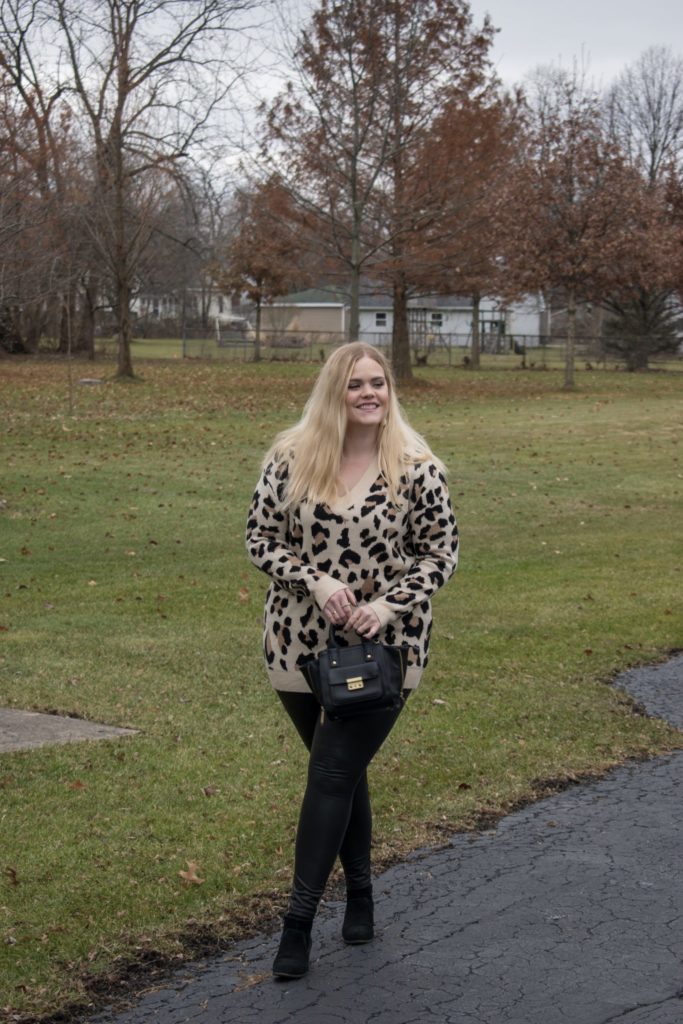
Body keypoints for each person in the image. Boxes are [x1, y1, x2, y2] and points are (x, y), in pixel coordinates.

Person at [245, 342, 458, 979]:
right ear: (334, 393)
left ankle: (297, 927)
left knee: (332, 772)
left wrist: (388, 606)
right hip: (296, 645)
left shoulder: (418, 468)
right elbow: (259, 538)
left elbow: (439, 555)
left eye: (379, 383)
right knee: (342, 768)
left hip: (387, 648)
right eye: (355, 385)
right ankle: (360, 894)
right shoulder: (291, 457)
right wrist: (315, 582)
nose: (369, 394)